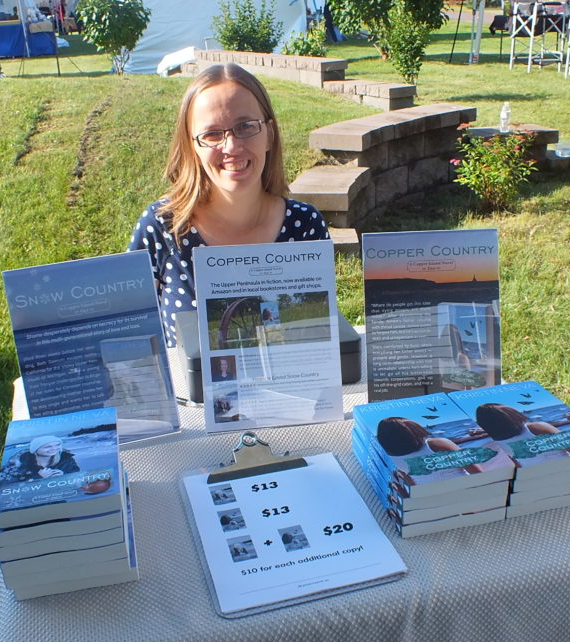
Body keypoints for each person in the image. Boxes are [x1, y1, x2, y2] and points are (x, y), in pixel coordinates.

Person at [129, 63, 330, 347]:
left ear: (269, 134)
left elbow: (317, 337)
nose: (232, 147)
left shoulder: (306, 227)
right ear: (192, 146)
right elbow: (131, 341)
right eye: (212, 134)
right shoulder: (161, 228)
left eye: (245, 126)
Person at [375, 417, 484, 486]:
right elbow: (476, 471)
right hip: (464, 489)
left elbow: (411, 484)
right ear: (414, 430)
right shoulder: (436, 444)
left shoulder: (392, 459)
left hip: (432, 499)